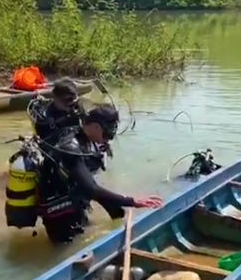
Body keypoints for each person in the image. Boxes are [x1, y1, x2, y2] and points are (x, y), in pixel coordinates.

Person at [37, 104, 162, 244]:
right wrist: (131, 201)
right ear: (96, 127)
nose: (109, 136)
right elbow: (90, 188)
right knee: (65, 250)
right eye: (108, 130)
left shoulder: (87, 139)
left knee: (83, 235)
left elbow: (88, 184)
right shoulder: (71, 148)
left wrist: (114, 209)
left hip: (74, 201)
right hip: (58, 212)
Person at [33, 79, 83, 145]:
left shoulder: (78, 109)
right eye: (69, 105)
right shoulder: (45, 119)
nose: (73, 109)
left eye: (75, 103)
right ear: (56, 98)